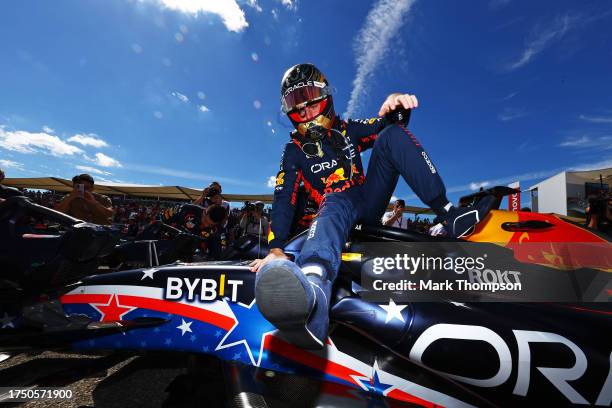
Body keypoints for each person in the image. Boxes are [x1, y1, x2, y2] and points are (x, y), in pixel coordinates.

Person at [250, 63, 492, 349]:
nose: (304, 109)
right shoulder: (293, 150)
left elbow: (389, 125)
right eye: (295, 102)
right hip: (335, 216)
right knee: (336, 198)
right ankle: (314, 288)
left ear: (324, 95)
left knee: (391, 134)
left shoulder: (347, 128)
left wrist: (395, 104)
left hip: (368, 205)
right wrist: (276, 248)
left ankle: (450, 213)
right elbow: (284, 197)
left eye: (309, 97)